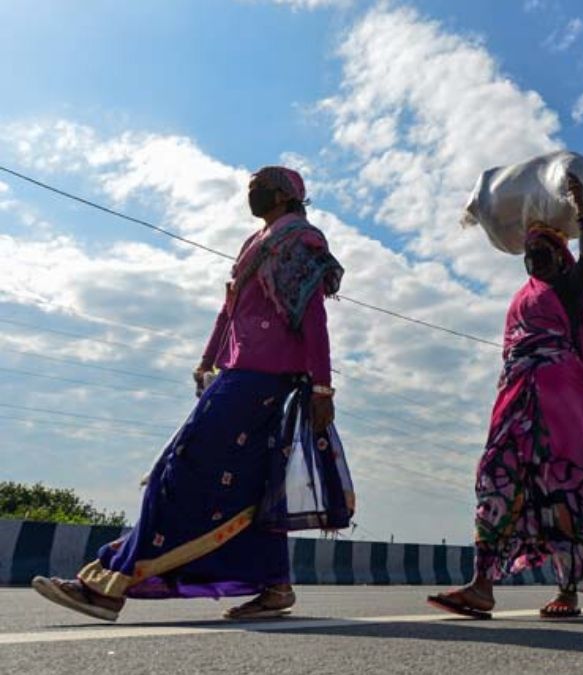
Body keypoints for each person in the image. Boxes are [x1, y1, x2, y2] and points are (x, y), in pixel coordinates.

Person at [32, 166, 350, 621]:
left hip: (260, 378)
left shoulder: (299, 239)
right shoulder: (255, 243)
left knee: (179, 469)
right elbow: (230, 311)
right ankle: (276, 586)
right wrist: (207, 362)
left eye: (259, 188)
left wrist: (322, 386)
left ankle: (109, 583)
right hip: (237, 373)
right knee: (249, 485)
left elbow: (313, 316)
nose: (252, 193)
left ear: (282, 196)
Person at [428, 174, 583, 620]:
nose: (534, 260)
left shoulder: (566, 287)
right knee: (496, 478)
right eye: (529, 254)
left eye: (543, 252)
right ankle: (482, 585)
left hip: (560, 403)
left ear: (561, 258)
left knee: (562, 488)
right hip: (515, 398)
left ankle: (568, 589)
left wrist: (580, 205)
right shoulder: (523, 297)